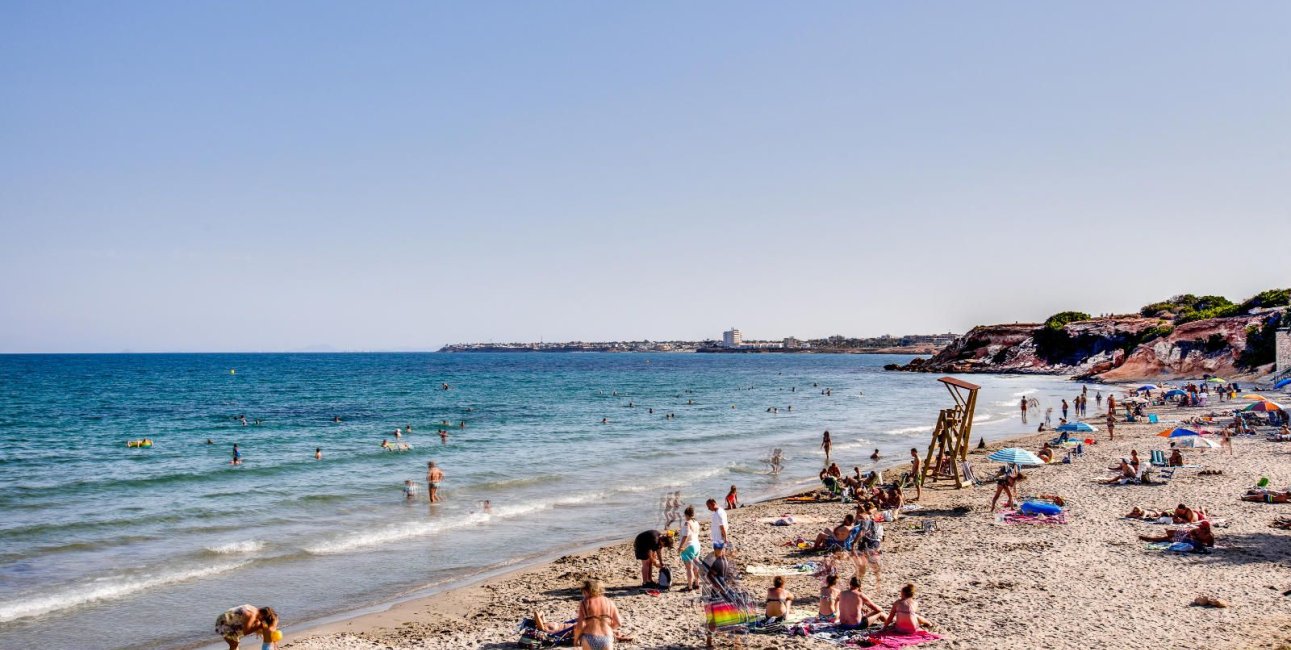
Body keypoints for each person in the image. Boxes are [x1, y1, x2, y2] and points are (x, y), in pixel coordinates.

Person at [573, 579, 622, 650]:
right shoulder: (610, 602)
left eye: (583, 592)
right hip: (606, 637)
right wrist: (609, 628)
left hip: (589, 637)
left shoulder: (584, 603)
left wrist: (576, 640)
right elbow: (618, 623)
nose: (583, 594)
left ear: (587, 591)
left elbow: (580, 625)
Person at [1138, 520, 1215, 549]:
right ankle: (1152, 538)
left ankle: (1149, 538)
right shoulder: (1198, 530)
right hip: (1187, 534)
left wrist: (1195, 539)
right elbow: (1191, 531)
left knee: (1168, 538)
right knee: (1170, 532)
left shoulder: (1209, 536)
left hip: (1191, 541)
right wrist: (1192, 535)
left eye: (1202, 528)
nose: (1200, 528)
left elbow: (1209, 546)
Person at [678, 505, 702, 590]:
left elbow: (685, 535)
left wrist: (680, 547)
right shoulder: (696, 522)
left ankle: (690, 586)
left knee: (689, 568)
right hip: (697, 545)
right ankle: (697, 583)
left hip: (688, 546)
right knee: (696, 566)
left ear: (687, 515)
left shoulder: (687, 523)